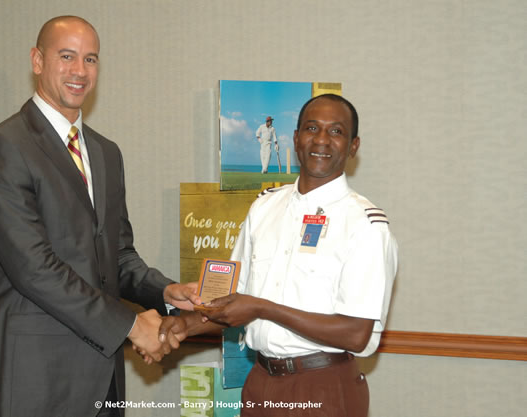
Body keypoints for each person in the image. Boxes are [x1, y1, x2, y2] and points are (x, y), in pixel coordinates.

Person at [0, 16, 198, 417]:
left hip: (102, 377)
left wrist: (163, 291)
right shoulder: (2, 148)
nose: (79, 71)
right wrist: (130, 325)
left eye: (90, 59)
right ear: (37, 61)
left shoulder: (106, 152)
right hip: (33, 376)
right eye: (67, 56)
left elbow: (117, 255)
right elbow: (33, 268)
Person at [164, 94, 398, 417]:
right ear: (295, 138)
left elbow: (356, 334)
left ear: (353, 146)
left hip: (323, 388)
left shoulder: (365, 225)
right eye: (312, 128)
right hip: (260, 381)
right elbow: (235, 298)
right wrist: (185, 325)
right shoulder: (264, 207)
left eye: (336, 131)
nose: (321, 140)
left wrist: (263, 307)